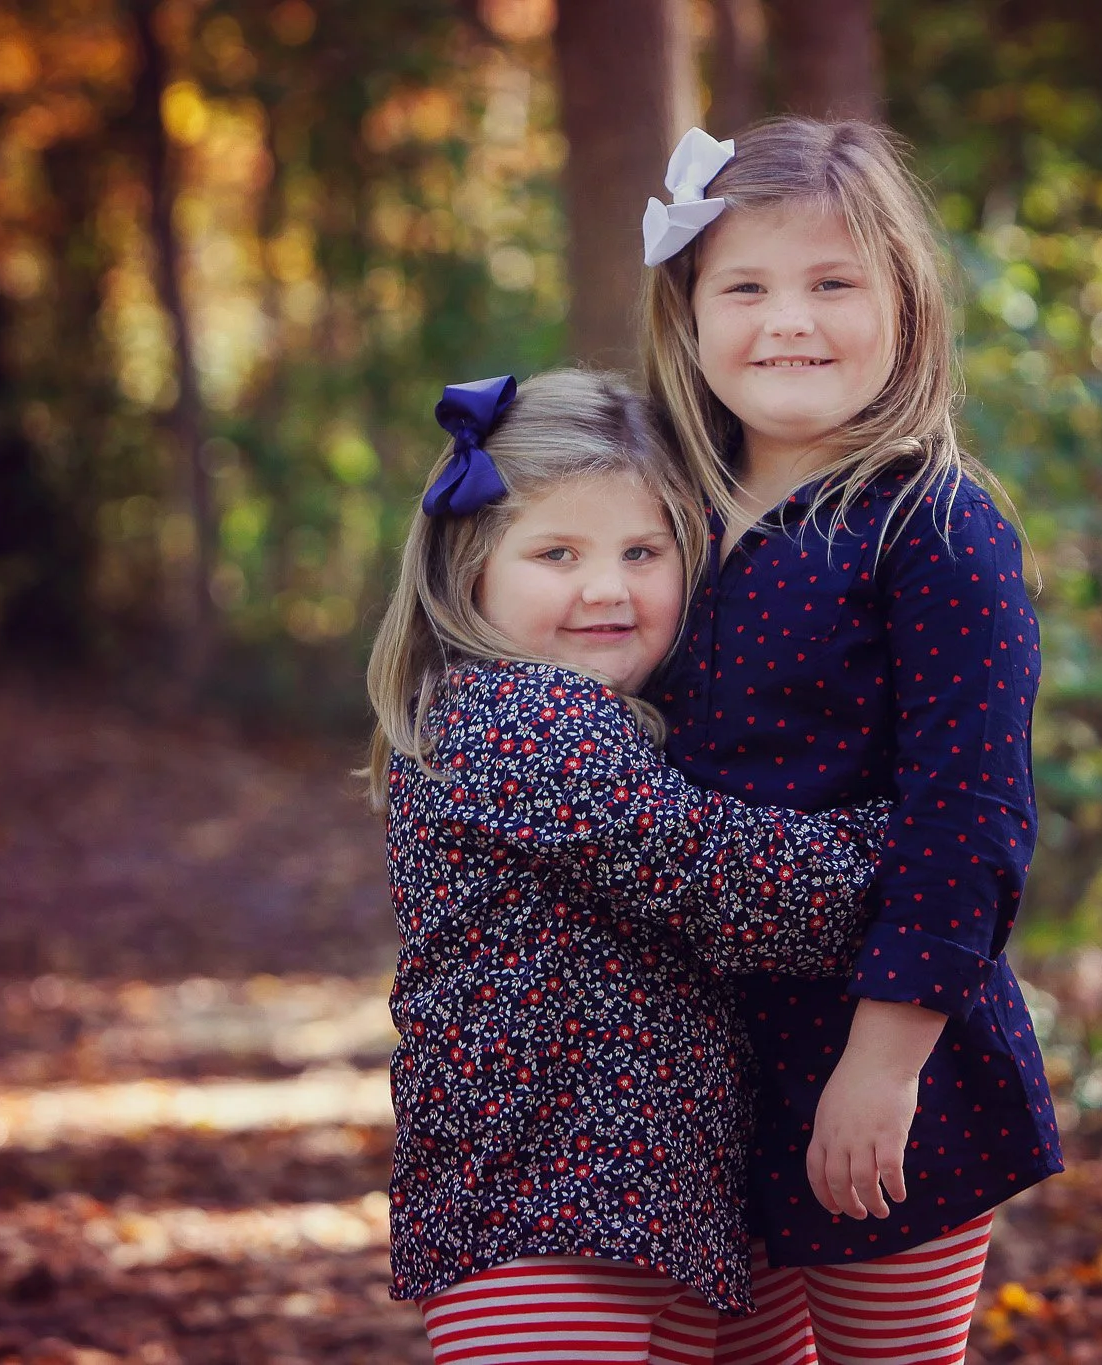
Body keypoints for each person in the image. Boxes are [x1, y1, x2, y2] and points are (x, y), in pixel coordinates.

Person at [639, 119, 1064, 1365]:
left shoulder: (930, 526)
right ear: (689, 311)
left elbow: (969, 820)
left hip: (882, 1052)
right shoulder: (656, 514)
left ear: (905, 308)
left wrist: (881, 1067)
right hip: (694, 1065)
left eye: (833, 284)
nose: (789, 320)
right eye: (747, 286)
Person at [367, 368, 893, 1364]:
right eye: (556, 553)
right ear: (469, 566)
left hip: (668, 1205)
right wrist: (903, 845)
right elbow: (719, 875)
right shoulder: (514, 718)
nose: (605, 587)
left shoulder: (627, 726)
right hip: (541, 1207)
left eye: (641, 552)